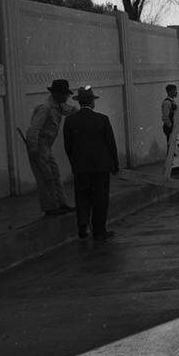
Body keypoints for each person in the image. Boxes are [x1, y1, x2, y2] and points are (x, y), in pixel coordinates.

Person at [63, 86, 119, 241]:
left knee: (82, 196)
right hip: (101, 166)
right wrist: (115, 164)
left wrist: (74, 163)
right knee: (100, 198)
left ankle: (82, 225)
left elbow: (68, 146)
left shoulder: (70, 121)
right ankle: (99, 230)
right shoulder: (102, 119)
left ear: (79, 102)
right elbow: (111, 144)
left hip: (81, 167)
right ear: (92, 102)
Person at [25, 78, 78, 217]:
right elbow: (33, 130)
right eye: (65, 94)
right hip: (39, 145)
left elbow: (71, 110)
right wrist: (33, 149)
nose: (67, 96)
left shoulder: (58, 105)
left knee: (55, 174)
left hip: (47, 146)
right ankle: (50, 207)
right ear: (57, 94)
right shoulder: (45, 107)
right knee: (46, 176)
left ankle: (61, 203)